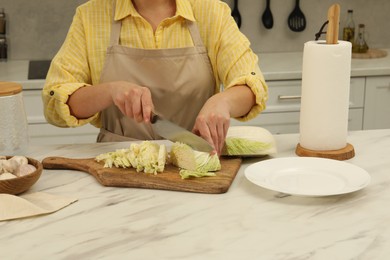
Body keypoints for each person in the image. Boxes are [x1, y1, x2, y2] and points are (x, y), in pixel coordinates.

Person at [42, 0, 268, 155]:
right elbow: (55, 101)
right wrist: (110, 91)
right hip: (119, 166)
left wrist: (223, 102)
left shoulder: (212, 12)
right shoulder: (90, 15)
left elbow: (252, 84)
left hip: (197, 159)